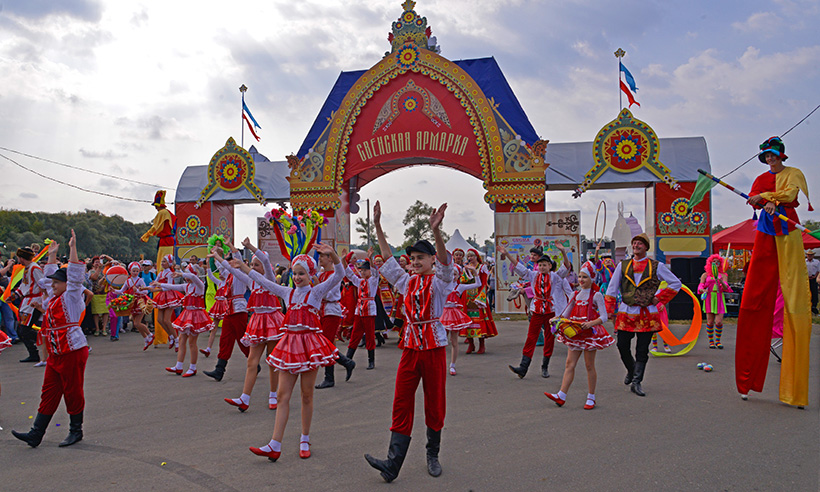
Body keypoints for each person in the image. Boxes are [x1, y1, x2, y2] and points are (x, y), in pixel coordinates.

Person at [365, 201, 452, 482]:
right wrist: (377, 224)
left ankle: (432, 454)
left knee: (434, 403)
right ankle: (393, 463)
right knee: (401, 401)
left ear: (431, 261)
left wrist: (436, 231)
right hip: (410, 348)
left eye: (420, 258)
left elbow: (446, 262)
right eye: (412, 258)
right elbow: (387, 258)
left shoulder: (440, 282)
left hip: (434, 348)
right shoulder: (406, 282)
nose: (415, 262)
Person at [242, 244, 342, 462]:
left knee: (306, 395)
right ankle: (275, 444)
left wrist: (332, 255)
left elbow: (339, 274)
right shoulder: (287, 293)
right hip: (289, 346)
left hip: (309, 348)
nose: (297, 277)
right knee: (281, 395)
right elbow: (264, 281)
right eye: (295, 273)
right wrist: (241, 266)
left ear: (310, 274)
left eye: (301, 273)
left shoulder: (316, 292)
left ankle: (304, 439)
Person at [737, 136, 812, 407]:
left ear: (781, 155)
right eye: (766, 156)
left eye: (773, 155)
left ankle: (795, 392)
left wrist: (770, 199)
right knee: (753, 299)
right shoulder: (759, 179)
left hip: (789, 232)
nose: (770, 159)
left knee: (795, 297)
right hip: (766, 234)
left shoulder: (794, 173)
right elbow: (754, 201)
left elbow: (790, 194)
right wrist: (763, 201)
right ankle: (746, 382)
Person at [12, 231, 89, 447]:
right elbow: (47, 281)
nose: (52, 285)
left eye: (57, 282)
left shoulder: (72, 296)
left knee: (73, 391)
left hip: (72, 350)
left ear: (66, 284)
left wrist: (73, 248)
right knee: (49, 391)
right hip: (56, 352)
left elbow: (74, 276)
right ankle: (36, 433)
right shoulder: (54, 298)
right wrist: (52, 256)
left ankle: (76, 430)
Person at [605, 233, 680, 397]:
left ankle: (637, 382)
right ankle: (632, 370)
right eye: (634, 243)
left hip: (647, 313)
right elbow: (612, 288)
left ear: (646, 247)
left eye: (640, 243)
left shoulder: (656, 266)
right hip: (626, 311)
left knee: (642, 349)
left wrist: (659, 298)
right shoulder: (623, 265)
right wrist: (610, 309)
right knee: (622, 345)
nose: (636, 245)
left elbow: (676, 283)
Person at [214, 239, 283, 412]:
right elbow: (231, 269)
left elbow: (266, 261)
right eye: (252, 264)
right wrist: (216, 255)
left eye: (257, 264)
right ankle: (244, 398)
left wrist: (250, 247)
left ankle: (273, 395)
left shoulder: (269, 278)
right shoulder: (251, 282)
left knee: (272, 362)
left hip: (273, 321)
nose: (254, 267)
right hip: (258, 322)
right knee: (252, 361)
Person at [544, 261, 614, 410]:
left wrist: (591, 323)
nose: (581, 280)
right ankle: (561, 395)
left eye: (585, 277)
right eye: (580, 277)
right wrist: (556, 320)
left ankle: (591, 397)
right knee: (570, 364)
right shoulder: (575, 294)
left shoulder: (597, 295)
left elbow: (605, 316)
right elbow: (566, 314)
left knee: (589, 365)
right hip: (575, 333)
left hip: (589, 334)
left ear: (592, 279)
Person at [500, 243, 569, 379]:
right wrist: (507, 254)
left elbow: (566, 267)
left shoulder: (555, 276)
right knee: (531, 338)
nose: (542, 267)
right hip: (536, 310)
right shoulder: (532, 275)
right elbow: (518, 266)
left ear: (550, 266)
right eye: (540, 264)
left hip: (550, 311)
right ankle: (523, 367)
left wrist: (563, 252)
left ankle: (545, 366)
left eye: (545, 264)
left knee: (549, 338)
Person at [149, 264, 213, 377]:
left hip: (196, 315)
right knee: (182, 340)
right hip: (187, 314)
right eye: (185, 275)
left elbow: (194, 278)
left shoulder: (200, 285)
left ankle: (193, 368)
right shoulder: (186, 286)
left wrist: (182, 273)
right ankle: (179, 366)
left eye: (188, 274)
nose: (186, 278)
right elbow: (172, 287)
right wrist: (159, 284)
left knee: (192, 342)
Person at [203, 247, 251, 382]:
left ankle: (254, 362)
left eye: (231, 260)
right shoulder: (229, 276)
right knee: (225, 339)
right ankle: (219, 369)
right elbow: (220, 267)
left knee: (242, 340)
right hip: (229, 309)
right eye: (228, 260)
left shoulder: (240, 273)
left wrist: (230, 247)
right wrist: (216, 253)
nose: (229, 262)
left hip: (239, 309)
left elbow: (230, 263)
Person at [315, 249, 357, 389]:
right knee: (328, 343)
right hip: (322, 311)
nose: (320, 258)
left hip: (331, 311)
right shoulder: (321, 274)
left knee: (326, 344)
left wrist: (316, 285)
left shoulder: (334, 275)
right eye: (319, 256)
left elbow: (327, 294)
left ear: (331, 259)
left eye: (323, 256)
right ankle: (345, 363)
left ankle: (331, 376)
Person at [441, 264, 480, 375]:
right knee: (440, 341)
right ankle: (439, 364)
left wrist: (474, 272)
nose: (452, 276)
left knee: (454, 341)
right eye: (450, 273)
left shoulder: (460, 287)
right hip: (443, 314)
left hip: (454, 315)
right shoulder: (442, 285)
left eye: (455, 274)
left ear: (458, 275)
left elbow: (478, 284)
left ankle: (452, 365)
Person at [343, 256, 380, 370]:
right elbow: (350, 275)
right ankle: (348, 358)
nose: (362, 272)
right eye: (361, 270)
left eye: (365, 270)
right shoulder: (360, 282)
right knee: (355, 333)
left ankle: (371, 360)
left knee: (369, 335)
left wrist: (370, 259)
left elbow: (375, 273)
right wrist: (344, 261)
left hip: (369, 309)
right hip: (359, 310)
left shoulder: (373, 281)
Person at [459, 248, 497, 354]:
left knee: (479, 320)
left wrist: (481, 297)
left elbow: (484, 282)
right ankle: (471, 344)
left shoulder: (482, 267)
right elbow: (462, 280)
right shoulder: (466, 268)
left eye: (472, 256)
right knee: (468, 320)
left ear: (477, 257)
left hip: (478, 296)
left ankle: (482, 345)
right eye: (469, 256)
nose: (470, 258)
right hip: (467, 296)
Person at [12, 246, 44, 362]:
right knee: (22, 330)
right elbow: (24, 286)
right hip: (27, 302)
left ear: (22, 257)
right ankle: (34, 353)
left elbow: (42, 284)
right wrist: (15, 295)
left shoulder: (34, 268)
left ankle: (46, 341)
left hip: (34, 302)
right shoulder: (27, 268)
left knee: (24, 330)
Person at [112, 262, 154, 349]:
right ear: (130, 271)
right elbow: (122, 291)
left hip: (140, 302)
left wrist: (137, 290)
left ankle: (150, 335)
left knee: (137, 323)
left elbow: (146, 291)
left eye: (137, 271)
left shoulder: (140, 280)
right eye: (133, 271)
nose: (135, 272)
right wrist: (113, 290)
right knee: (136, 324)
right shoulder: (128, 281)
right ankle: (146, 338)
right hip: (132, 302)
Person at [698, 254, 732, 349]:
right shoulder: (705, 275)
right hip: (709, 298)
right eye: (714, 262)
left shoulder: (724, 275)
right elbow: (700, 286)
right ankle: (711, 341)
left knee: (719, 322)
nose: (716, 264)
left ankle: (718, 341)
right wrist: (703, 290)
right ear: (710, 263)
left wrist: (721, 282)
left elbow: (726, 287)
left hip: (719, 297)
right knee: (710, 322)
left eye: (718, 262)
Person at [152, 255, 183, 351]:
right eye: (162, 261)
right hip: (162, 296)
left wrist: (157, 287)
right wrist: (144, 288)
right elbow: (153, 284)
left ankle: (177, 339)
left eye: (164, 261)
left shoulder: (170, 273)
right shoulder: (160, 273)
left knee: (166, 320)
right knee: (160, 320)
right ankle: (172, 337)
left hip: (169, 296)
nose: (162, 263)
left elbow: (168, 286)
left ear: (169, 263)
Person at [805, 250, 819, 315]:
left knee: (814, 291)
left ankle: (814, 305)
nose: (810, 256)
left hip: (813, 278)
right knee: (806, 292)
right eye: (808, 255)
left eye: (811, 255)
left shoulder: (816, 262)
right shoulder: (804, 261)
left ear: (813, 255)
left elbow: (818, 270)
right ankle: (807, 305)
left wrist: (815, 276)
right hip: (806, 278)